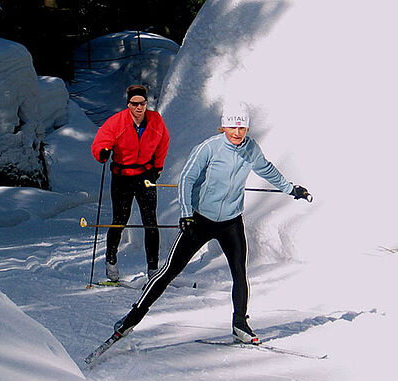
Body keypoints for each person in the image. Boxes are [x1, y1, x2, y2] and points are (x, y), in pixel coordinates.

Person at [111, 103, 311, 344]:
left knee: (239, 272)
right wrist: (186, 213)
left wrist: (291, 189)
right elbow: (187, 179)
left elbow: (266, 169)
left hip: (231, 222)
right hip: (200, 220)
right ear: (223, 126)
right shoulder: (209, 148)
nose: (237, 132)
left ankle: (240, 324)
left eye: (242, 127)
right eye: (232, 126)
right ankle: (132, 318)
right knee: (169, 271)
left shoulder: (250, 149)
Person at [91, 85, 170, 282]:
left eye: (142, 103)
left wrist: (158, 168)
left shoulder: (155, 120)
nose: (138, 107)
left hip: (145, 175)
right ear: (128, 104)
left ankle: (153, 269)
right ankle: (111, 262)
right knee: (120, 219)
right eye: (134, 104)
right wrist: (102, 152)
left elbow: (163, 142)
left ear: (146, 104)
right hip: (122, 176)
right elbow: (101, 141)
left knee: (150, 222)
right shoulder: (117, 122)